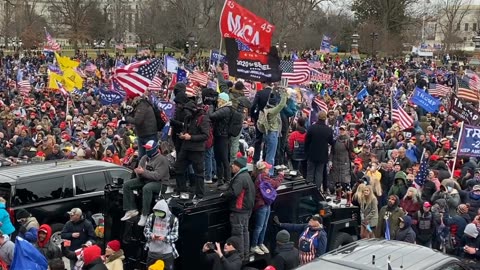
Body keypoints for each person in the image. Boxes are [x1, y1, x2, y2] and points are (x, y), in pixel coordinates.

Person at [121, 140, 170, 226]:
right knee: (127, 185)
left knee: (147, 188)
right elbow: (141, 173)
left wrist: (143, 172)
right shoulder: (144, 158)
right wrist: (138, 173)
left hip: (160, 183)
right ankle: (131, 209)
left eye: (149, 148)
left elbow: (157, 176)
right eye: (146, 148)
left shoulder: (162, 160)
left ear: (155, 149)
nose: (147, 150)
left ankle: (144, 214)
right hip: (145, 180)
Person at [174, 101, 210, 199]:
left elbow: (205, 135)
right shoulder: (187, 118)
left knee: (198, 173)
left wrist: (191, 137)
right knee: (178, 168)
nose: (186, 113)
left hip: (197, 150)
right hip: (186, 147)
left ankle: (199, 195)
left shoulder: (203, 118)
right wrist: (183, 134)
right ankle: (181, 191)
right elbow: (186, 130)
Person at [221, 157, 255, 260]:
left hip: (238, 211)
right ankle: (245, 254)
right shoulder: (247, 176)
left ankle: (239, 256)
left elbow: (234, 192)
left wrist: (223, 195)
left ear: (237, 166)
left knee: (237, 234)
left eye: (233, 165)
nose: (232, 167)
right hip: (246, 210)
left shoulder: (240, 178)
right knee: (245, 232)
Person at [251, 161, 283, 255]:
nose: (269, 169)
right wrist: (281, 176)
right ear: (264, 169)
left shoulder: (261, 176)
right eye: (268, 168)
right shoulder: (263, 176)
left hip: (266, 203)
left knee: (264, 225)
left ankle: (260, 243)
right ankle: (254, 245)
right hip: (261, 204)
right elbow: (275, 184)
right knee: (259, 226)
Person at [258, 87, 287, 175]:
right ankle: (269, 173)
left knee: (268, 153)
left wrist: (274, 90)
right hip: (272, 133)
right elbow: (281, 105)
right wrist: (284, 94)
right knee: (271, 155)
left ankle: (266, 171)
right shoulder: (272, 111)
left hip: (267, 133)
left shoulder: (265, 109)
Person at [143, 199, 179, 269]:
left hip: (167, 254)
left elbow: (175, 236)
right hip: (152, 252)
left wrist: (165, 238)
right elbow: (146, 230)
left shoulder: (173, 219)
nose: (158, 214)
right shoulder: (152, 217)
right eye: (157, 212)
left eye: (160, 212)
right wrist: (151, 235)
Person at [305, 111, 334, 192]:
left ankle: (308, 191)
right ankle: (316, 191)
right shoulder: (328, 130)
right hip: (322, 156)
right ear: (325, 118)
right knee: (319, 174)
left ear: (318, 117)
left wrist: (306, 152)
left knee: (310, 173)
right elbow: (331, 142)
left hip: (311, 154)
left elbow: (306, 141)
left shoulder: (311, 128)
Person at [207, 92, 232, 188]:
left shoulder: (226, 109)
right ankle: (220, 179)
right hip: (218, 136)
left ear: (223, 100)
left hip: (223, 137)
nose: (217, 101)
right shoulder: (223, 108)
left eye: (219, 99)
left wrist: (211, 106)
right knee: (218, 159)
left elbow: (212, 116)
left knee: (224, 159)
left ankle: (228, 181)